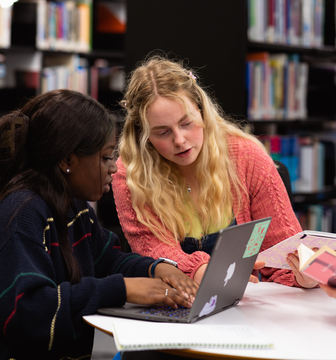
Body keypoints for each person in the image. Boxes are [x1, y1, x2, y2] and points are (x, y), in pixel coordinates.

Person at [0, 89, 198, 359]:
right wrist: (124, 289)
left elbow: (108, 261)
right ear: (68, 161)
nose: (114, 168)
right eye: (105, 157)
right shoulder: (22, 212)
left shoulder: (74, 205)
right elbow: (29, 312)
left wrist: (158, 269)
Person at [112, 55, 317, 288]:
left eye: (186, 123)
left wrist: (304, 277)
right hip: (178, 306)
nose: (180, 140)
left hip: (246, 307)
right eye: (162, 132)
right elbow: (159, 255)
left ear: (201, 112)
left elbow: (284, 254)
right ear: (144, 136)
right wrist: (201, 273)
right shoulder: (131, 174)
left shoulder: (247, 157)